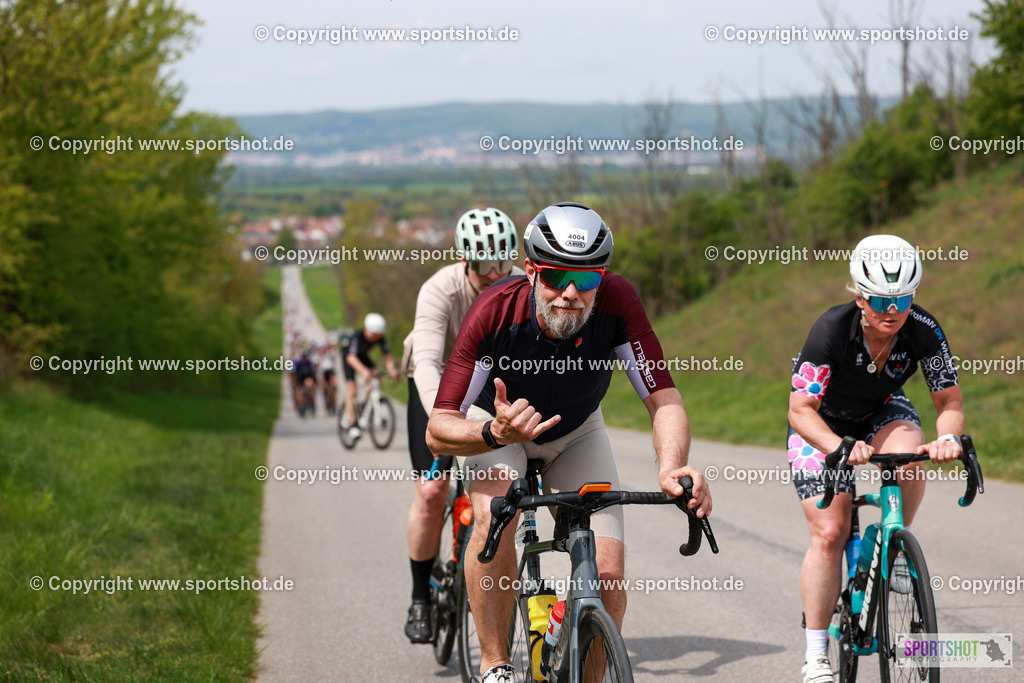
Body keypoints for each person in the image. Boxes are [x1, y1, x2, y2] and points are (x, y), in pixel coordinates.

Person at [426, 202, 712, 683]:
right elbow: (439, 427)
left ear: (603, 277)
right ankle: (495, 663)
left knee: (607, 573)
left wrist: (672, 467)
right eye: (557, 276)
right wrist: (494, 432)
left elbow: (663, 398)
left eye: (588, 279)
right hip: (500, 427)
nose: (572, 292)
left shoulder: (618, 301)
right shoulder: (493, 311)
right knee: (497, 510)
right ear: (533, 270)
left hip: (576, 430)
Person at [787, 234, 963, 683]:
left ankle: (896, 544)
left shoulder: (923, 328)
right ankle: (816, 656)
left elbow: (949, 404)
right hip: (823, 423)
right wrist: (838, 447)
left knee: (910, 454)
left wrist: (946, 440)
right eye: (881, 299)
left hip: (881, 411)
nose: (892, 310)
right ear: (860, 296)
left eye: (902, 298)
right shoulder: (830, 330)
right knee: (829, 531)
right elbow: (799, 410)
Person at [400, 207, 523, 643]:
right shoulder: (440, 290)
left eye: (502, 263)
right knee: (431, 492)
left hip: (486, 390)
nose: (494, 274)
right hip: (434, 389)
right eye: (483, 267)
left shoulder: (517, 286)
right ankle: (419, 597)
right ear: (465, 260)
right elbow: (429, 362)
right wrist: (444, 424)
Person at [342, 312, 400, 438]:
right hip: (349, 357)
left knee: (377, 376)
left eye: (378, 336)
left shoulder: (380, 337)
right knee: (352, 389)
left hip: (363, 356)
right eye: (373, 335)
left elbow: (387, 355)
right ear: (366, 329)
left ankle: (366, 403)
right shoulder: (357, 336)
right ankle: (351, 423)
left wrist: (392, 370)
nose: (375, 338)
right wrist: (363, 371)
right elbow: (351, 358)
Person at [291, 347, 317, 415]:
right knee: (299, 391)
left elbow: (312, 372)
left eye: (305, 356)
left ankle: (312, 401)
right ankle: (300, 405)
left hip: (307, 377)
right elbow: (294, 373)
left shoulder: (308, 362)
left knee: (310, 385)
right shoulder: (298, 362)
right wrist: (294, 382)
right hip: (299, 378)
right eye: (303, 356)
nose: (304, 358)